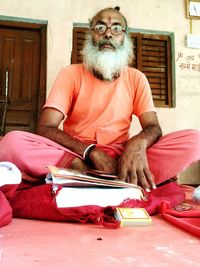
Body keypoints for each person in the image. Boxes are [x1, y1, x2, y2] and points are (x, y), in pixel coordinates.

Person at [0, 7, 200, 193]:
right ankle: (92, 172)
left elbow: (153, 127)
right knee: (11, 142)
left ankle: (116, 172)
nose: (108, 33)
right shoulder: (70, 74)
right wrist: (90, 152)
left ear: (124, 38)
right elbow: (45, 127)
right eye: (100, 27)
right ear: (91, 35)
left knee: (195, 140)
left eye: (116, 28)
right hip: (76, 154)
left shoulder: (136, 78)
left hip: (122, 156)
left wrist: (135, 145)